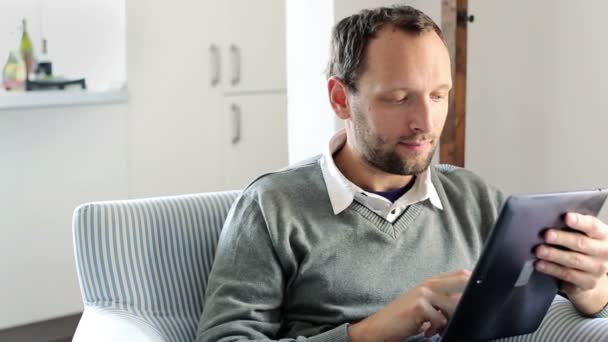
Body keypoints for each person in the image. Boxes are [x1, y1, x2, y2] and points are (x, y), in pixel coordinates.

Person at [195, 5, 608, 342]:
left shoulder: (473, 198)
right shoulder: (274, 206)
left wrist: (588, 287)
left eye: (438, 96)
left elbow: (562, 303)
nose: (426, 122)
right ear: (341, 98)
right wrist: (371, 332)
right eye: (398, 98)